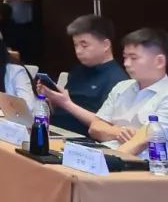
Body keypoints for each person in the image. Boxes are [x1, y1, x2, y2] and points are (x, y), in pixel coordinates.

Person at [40, 27, 168, 146]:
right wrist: (118, 132)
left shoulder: (164, 95)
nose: (127, 63)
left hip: (139, 160)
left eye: (133, 58)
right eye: (125, 57)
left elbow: (142, 142)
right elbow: (94, 128)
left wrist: (110, 134)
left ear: (159, 61)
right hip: (102, 151)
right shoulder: (122, 87)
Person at [37, 15, 130, 135]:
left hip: (81, 138)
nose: (78, 51)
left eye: (84, 45)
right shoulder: (78, 70)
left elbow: (106, 126)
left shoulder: (118, 80)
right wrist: (52, 98)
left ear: (105, 45)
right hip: (54, 129)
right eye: (75, 45)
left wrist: (66, 104)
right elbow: (63, 109)